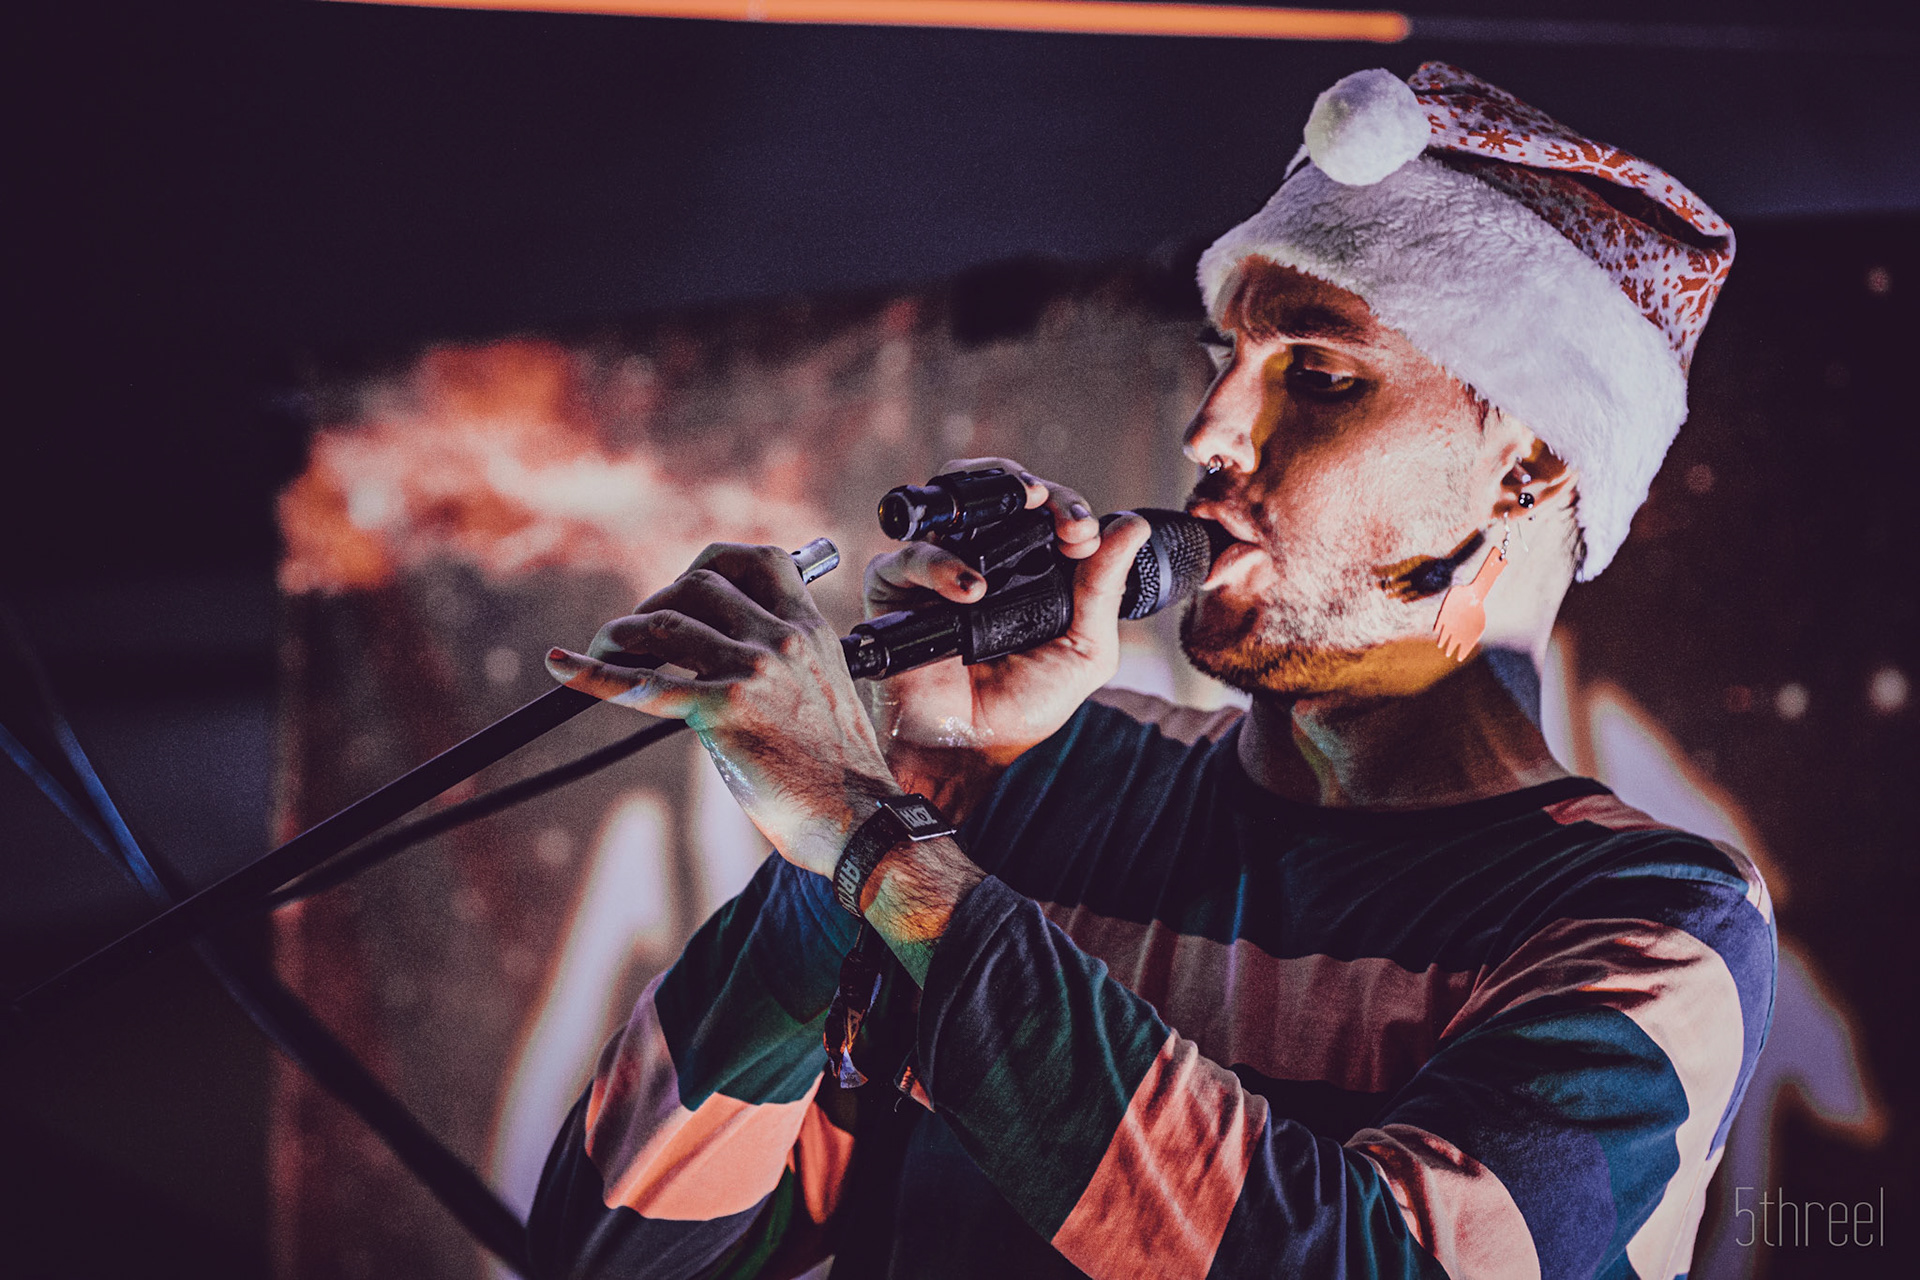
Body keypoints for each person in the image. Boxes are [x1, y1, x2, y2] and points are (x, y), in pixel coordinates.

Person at [528, 64, 1775, 1280]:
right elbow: (614, 1250)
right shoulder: (1023, 784)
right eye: (1224, 354)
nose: (1210, 428)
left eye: (1318, 376)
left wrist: (878, 842)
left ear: (1530, 466)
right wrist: (906, 794)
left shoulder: (1652, 916)